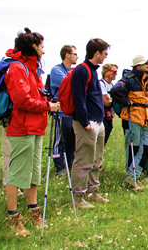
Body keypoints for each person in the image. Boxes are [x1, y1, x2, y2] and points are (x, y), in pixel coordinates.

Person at [4, 27, 60, 236]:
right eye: (42, 47)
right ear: (33, 47)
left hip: (36, 128)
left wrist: (48, 102)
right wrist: (47, 107)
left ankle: (33, 212)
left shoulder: (32, 68)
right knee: (18, 174)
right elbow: (21, 100)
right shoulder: (18, 68)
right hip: (22, 128)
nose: (44, 52)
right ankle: (13, 218)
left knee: (33, 174)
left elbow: (35, 96)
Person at [71, 39, 110, 209]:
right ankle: (78, 196)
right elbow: (78, 97)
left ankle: (93, 192)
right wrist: (84, 121)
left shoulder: (93, 71)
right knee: (83, 159)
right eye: (105, 53)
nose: (106, 57)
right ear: (97, 53)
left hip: (98, 121)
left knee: (96, 159)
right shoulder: (82, 70)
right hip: (87, 123)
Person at [109, 55, 148, 191]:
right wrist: (126, 102)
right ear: (138, 65)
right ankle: (132, 178)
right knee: (133, 148)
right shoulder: (129, 79)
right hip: (132, 119)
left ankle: (132, 177)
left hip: (146, 119)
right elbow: (115, 91)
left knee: (146, 148)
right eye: (146, 63)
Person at [50, 45, 79, 174]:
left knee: (71, 140)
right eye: (75, 54)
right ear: (67, 55)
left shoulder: (72, 71)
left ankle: (70, 165)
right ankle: (59, 167)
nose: (77, 57)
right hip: (60, 111)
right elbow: (69, 84)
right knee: (59, 140)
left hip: (71, 111)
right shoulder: (56, 70)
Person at [99, 63, 118, 146]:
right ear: (107, 73)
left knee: (108, 130)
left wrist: (111, 100)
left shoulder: (112, 85)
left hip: (110, 114)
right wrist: (114, 100)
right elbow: (106, 103)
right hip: (101, 114)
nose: (116, 74)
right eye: (114, 72)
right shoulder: (101, 84)